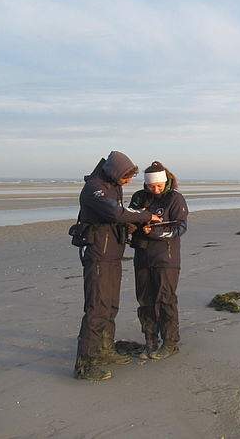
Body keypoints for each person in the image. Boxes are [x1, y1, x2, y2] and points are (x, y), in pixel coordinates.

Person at [74, 151, 162, 381]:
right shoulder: (94, 188)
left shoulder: (113, 186)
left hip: (112, 254)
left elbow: (117, 217)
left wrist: (129, 226)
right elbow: (115, 212)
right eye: (126, 176)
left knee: (111, 306)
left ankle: (105, 350)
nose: (129, 181)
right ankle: (86, 364)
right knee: (97, 307)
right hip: (98, 256)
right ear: (115, 173)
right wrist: (144, 215)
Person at [129, 161, 188, 360]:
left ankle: (170, 343)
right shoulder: (138, 197)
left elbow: (180, 228)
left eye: (159, 186)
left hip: (166, 258)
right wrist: (137, 229)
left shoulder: (175, 199)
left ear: (166, 182)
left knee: (165, 300)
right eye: (151, 186)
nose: (155, 190)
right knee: (145, 300)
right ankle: (150, 341)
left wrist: (154, 232)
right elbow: (128, 220)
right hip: (142, 257)